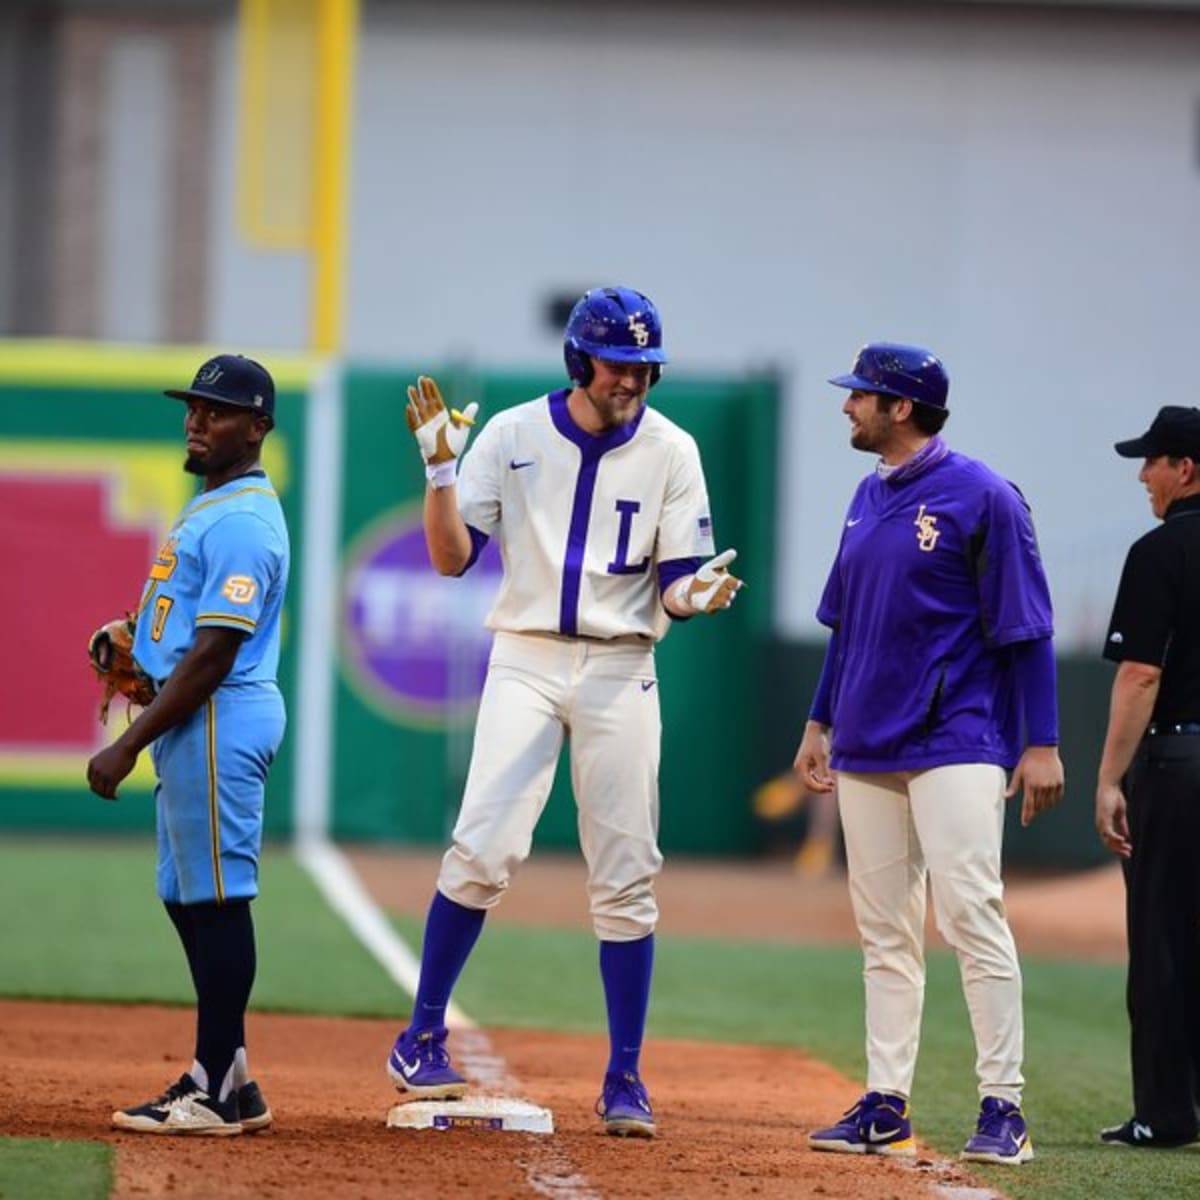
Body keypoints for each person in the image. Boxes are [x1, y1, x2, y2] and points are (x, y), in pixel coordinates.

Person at [385, 286, 744, 1138]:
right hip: (528, 657)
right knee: (484, 844)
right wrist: (439, 472)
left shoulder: (674, 448)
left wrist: (693, 594)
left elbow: (678, 580)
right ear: (580, 360)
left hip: (624, 664)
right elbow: (448, 558)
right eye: (621, 363)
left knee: (628, 871)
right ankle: (421, 1035)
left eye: (647, 365)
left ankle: (625, 1077)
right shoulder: (510, 433)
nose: (635, 379)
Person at [793, 342, 1063, 1165]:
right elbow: (845, 628)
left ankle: (1003, 1107)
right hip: (869, 742)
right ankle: (885, 1101)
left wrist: (1041, 741)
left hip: (958, 737)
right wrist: (818, 722)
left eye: (860, 396)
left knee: (973, 914)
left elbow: (1028, 626)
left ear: (900, 407)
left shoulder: (984, 495)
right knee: (885, 934)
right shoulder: (866, 496)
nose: (847, 407)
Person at [87, 354, 289, 1136]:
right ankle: (232, 1074)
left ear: (258, 426)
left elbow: (213, 654)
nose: (197, 420)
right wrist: (138, 641)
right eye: (195, 407)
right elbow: (186, 636)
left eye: (218, 410)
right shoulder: (217, 504)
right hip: (196, 715)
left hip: (215, 715)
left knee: (217, 898)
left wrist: (127, 743)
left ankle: (210, 1087)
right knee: (186, 896)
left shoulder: (240, 521)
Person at [1095, 406, 1200, 1149]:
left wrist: (1109, 778)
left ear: (1186, 469)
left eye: (1153, 460)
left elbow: (1140, 674)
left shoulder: (1162, 550)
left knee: (1163, 936)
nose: (1143, 475)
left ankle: (1165, 1113)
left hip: (1179, 763)